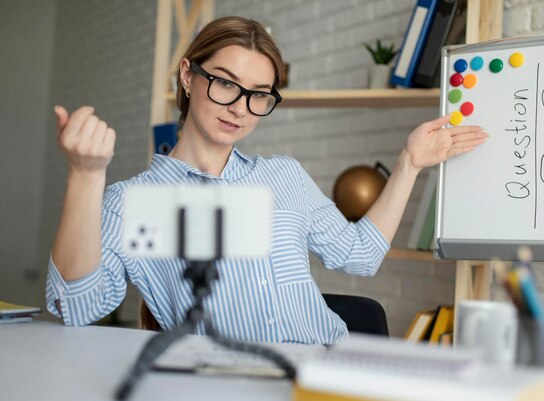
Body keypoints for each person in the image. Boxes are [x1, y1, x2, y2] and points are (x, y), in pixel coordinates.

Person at [47, 16, 488, 344]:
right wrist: (86, 176)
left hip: (327, 370)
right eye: (225, 83)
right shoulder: (134, 201)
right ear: (187, 75)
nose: (240, 107)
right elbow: (77, 307)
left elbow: (360, 255)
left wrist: (410, 161)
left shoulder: (282, 177)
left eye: (259, 94)